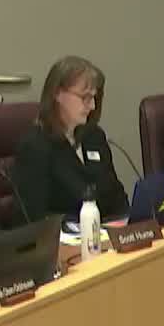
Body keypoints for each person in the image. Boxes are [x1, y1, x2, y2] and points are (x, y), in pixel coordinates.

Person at [11, 55, 127, 223]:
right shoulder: (35, 147)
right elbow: (34, 218)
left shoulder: (94, 137)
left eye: (94, 97)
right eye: (85, 97)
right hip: (65, 237)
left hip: (108, 233)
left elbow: (116, 197)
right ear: (57, 93)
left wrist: (129, 225)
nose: (92, 106)